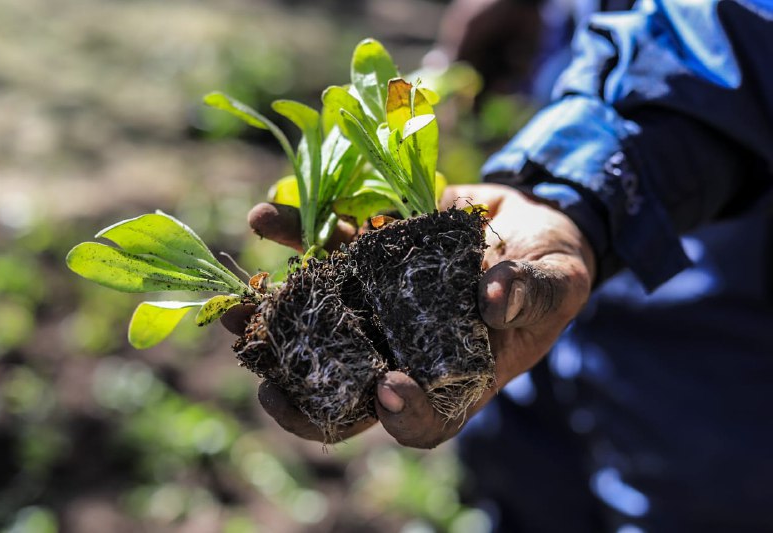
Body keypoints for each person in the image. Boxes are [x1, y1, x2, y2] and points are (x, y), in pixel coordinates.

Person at [223, 0, 773, 530]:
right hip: (591, 116)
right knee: (527, 477)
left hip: (721, 251)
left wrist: (581, 189)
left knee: (699, 482)